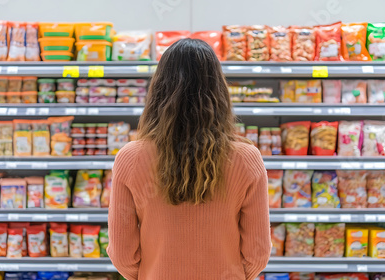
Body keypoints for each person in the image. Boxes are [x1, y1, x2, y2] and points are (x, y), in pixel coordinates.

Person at [107, 38, 271, 280]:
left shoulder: (130, 158)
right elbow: (257, 254)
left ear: (159, 88)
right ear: (219, 90)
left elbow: (122, 254)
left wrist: (152, 273)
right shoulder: (247, 158)